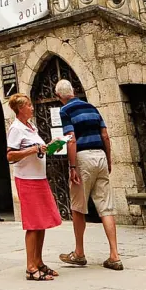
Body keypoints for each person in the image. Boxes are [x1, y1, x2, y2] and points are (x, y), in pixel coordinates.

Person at [55, 79, 123, 271]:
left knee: (78, 207)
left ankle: (79, 253)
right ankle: (114, 255)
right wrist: (108, 159)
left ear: (60, 97)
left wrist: (72, 167)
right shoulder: (92, 108)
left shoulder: (65, 110)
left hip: (83, 157)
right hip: (100, 155)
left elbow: (71, 140)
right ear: (74, 91)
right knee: (106, 206)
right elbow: (105, 136)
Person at [7, 94, 61, 281]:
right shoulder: (16, 128)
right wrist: (33, 150)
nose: (32, 107)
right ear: (20, 109)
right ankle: (30, 267)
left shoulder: (31, 126)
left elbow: (38, 148)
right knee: (32, 223)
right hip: (27, 179)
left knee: (42, 222)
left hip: (39, 178)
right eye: (29, 105)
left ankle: (38, 261)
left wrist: (49, 147)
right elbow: (10, 156)